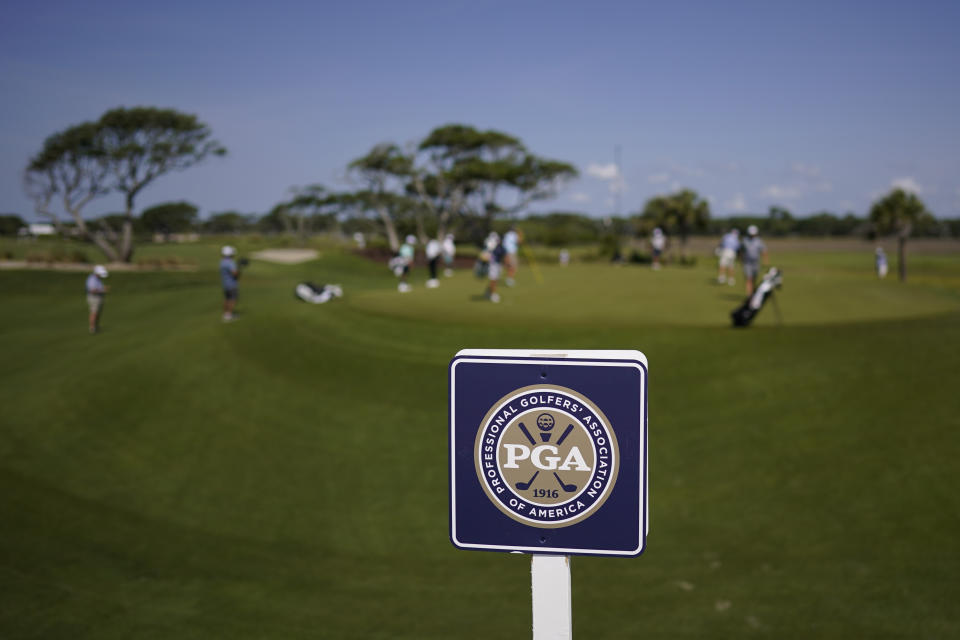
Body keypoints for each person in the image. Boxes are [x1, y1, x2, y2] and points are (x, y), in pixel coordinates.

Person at [741, 225, 769, 296]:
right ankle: (749, 295)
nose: (752, 235)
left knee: (754, 278)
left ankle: (753, 293)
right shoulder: (744, 240)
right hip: (747, 262)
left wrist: (765, 261)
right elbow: (741, 251)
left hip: (756, 262)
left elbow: (764, 251)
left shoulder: (759, 241)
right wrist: (740, 259)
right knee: (748, 278)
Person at [86, 264, 109, 334]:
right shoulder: (92, 279)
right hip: (94, 297)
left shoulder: (97, 279)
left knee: (97, 313)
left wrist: (102, 289)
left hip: (98, 297)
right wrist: (102, 290)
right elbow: (92, 290)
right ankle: (92, 328)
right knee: (94, 312)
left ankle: (96, 326)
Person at [220, 245, 240, 321]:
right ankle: (229, 315)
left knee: (227, 299)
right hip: (232, 285)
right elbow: (235, 273)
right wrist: (239, 269)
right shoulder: (230, 262)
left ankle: (226, 314)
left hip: (225, 284)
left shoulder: (222, 262)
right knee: (233, 299)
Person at [483, 231, 504, 303]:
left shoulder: (496, 244)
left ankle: (488, 292)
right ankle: (493, 295)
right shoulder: (489, 243)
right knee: (493, 279)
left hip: (497, 264)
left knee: (495, 280)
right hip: (492, 264)